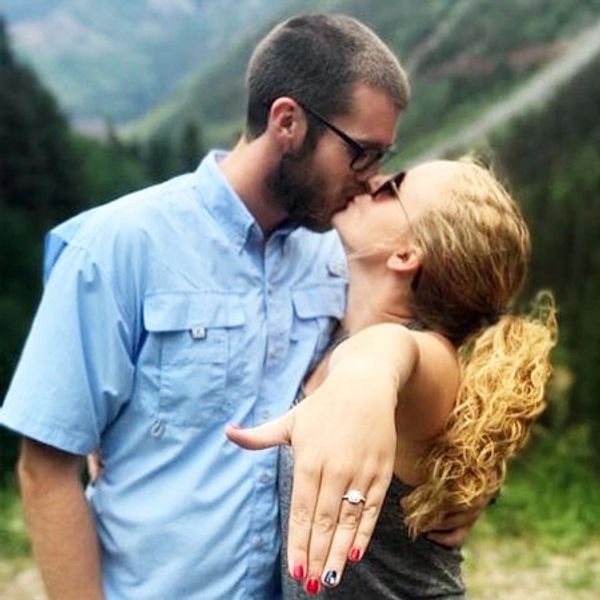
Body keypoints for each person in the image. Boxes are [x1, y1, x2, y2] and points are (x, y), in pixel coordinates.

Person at [0, 14, 480, 600]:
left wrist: (463, 484)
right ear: (287, 122)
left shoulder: (343, 255)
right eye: (360, 153)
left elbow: (446, 346)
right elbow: (46, 469)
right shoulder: (116, 247)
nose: (369, 178)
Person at [227, 159, 557, 597]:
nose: (371, 180)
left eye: (392, 187)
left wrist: (367, 377)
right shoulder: (332, 328)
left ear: (405, 254)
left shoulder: (431, 358)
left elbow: (392, 354)